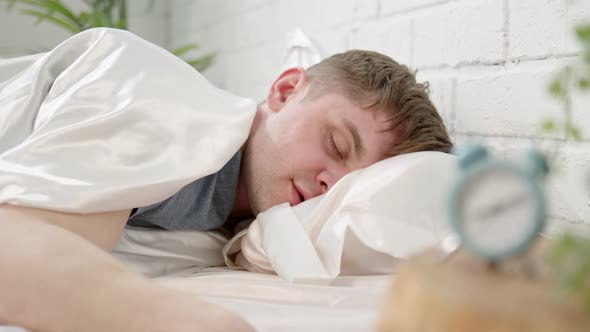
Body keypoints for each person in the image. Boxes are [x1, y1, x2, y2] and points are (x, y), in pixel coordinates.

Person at [0, 28, 451, 332]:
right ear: (286, 91)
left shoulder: (230, 235)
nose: (327, 185)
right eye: (335, 144)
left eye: (350, 186)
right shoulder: (140, 83)